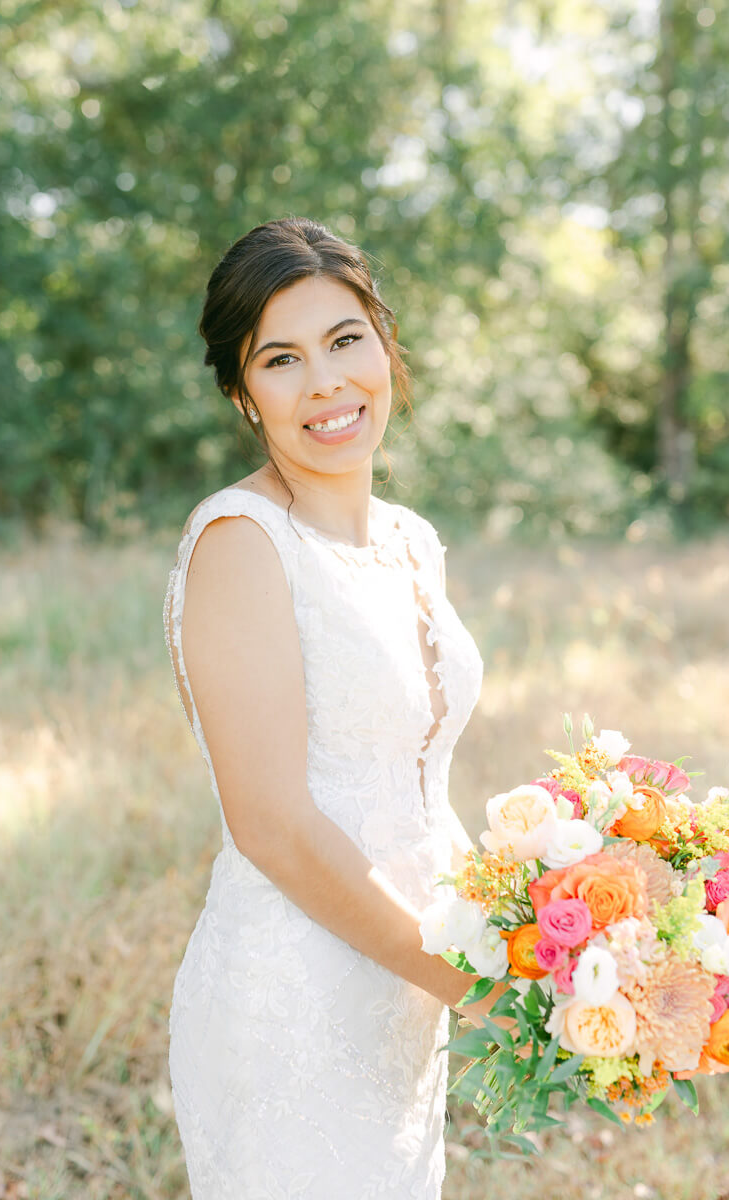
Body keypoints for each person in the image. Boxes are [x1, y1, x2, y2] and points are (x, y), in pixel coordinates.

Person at [163, 217, 504, 1198]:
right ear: (241, 393)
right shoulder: (241, 542)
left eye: (344, 340)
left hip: (401, 1002)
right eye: (281, 359)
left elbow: (413, 778)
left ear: (384, 348)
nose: (325, 384)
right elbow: (271, 825)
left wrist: (539, 937)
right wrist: (470, 986)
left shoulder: (406, 539)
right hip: (292, 1009)